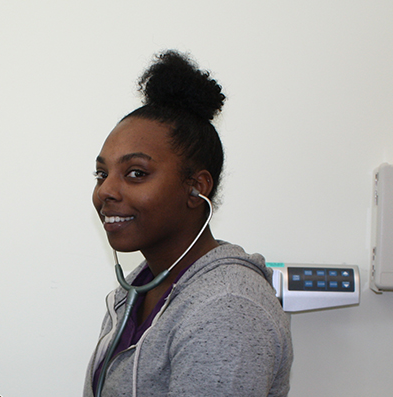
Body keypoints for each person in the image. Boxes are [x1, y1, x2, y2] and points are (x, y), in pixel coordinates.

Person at [84, 51, 293, 397]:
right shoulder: (135, 292)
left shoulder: (227, 308)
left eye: (136, 173)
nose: (105, 190)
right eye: (102, 174)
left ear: (197, 187)